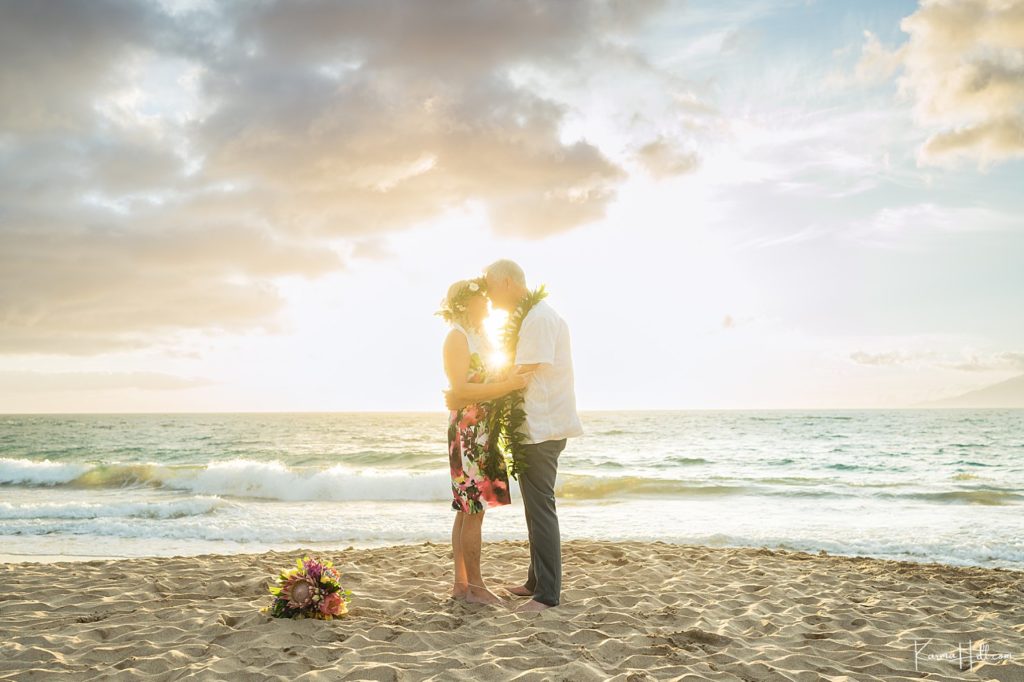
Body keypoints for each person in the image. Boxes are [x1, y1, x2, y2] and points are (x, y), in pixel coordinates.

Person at [447, 259, 584, 612]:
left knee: (541, 509)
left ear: (507, 282)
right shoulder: (528, 318)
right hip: (527, 428)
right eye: (484, 295)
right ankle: (533, 582)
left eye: (491, 291)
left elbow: (518, 374)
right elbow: (508, 373)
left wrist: (463, 394)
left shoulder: (538, 318)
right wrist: (464, 393)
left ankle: (547, 595)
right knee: (523, 509)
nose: (491, 301)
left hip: (542, 427)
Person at [438, 277, 534, 605]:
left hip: (483, 430)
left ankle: (462, 585)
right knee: (472, 508)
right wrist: (507, 386)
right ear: (466, 304)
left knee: (467, 510)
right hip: (468, 432)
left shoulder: (480, 336)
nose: (489, 304)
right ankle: (475, 586)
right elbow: (461, 390)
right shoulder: (457, 337)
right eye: (483, 300)